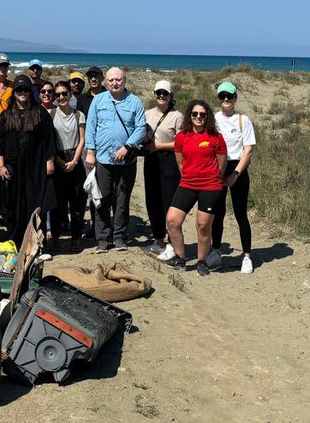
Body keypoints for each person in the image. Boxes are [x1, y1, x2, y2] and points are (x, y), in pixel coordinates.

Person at [84, 67, 147, 253]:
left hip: (126, 161)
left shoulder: (134, 102)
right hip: (103, 158)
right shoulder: (98, 100)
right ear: (106, 81)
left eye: (118, 79)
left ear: (124, 80)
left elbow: (141, 127)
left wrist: (127, 147)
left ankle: (119, 237)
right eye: (111, 80)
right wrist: (90, 151)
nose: (114, 83)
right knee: (102, 199)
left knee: (122, 200)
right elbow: (91, 126)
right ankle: (103, 238)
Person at [164, 99, 228, 273]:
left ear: (208, 117)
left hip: (210, 186)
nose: (198, 117)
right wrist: (190, 176)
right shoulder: (181, 136)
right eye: (194, 114)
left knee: (203, 225)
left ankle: (202, 261)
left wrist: (211, 178)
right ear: (189, 116)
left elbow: (222, 165)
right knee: (172, 220)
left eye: (202, 114)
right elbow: (180, 161)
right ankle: (180, 258)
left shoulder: (216, 137)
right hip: (187, 184)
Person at [0, 74, 56, 239]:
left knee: (35, 204)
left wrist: (49, 161)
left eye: (25, 89)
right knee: (13, 205)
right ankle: (14, 240)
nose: (22, 92)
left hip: (35, 167)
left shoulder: (40, 113)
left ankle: (35, 241)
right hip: (13, 168)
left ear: (30, 91)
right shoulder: (6, 115)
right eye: (19, 89)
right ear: (14, 92)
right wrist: (1, 166)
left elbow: (49, 140)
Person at [209, 81, 257, 274]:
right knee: (217, 213)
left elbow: (248, 150)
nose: (226, 100)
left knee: (240, 214)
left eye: (230, 96)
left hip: (238, 168)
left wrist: (235, 174)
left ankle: (247, 256)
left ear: (235, 98)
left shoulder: (243, 120)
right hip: (217, 168)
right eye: (223, 96)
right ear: (219, 99)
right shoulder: (212, 119)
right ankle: (216, 250)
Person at [142, 80, 184, 260]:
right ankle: (158, 240)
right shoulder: (146, 114)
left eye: (165, 93)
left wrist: (158, 145)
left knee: (169, 203)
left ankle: (172, 244)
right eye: (158, 93)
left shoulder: (177, 116)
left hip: (169, 162)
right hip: (150, 161)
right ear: (154, 94)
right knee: (152, 201)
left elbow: (180, 142)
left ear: (170, 96)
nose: (161, 96)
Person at [50, 81, 86, 250]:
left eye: (64, 93)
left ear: (70, 94)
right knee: (58, 203)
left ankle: (76, 238)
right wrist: (58, 160)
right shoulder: (50, 114)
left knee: (77, 203)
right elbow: (49, 141)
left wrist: (75, 161)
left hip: (75, 158)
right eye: (57, 95)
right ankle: (56, 237)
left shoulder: (79, 115)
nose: (61, 97)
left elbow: (82, 140)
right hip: (58, 157)